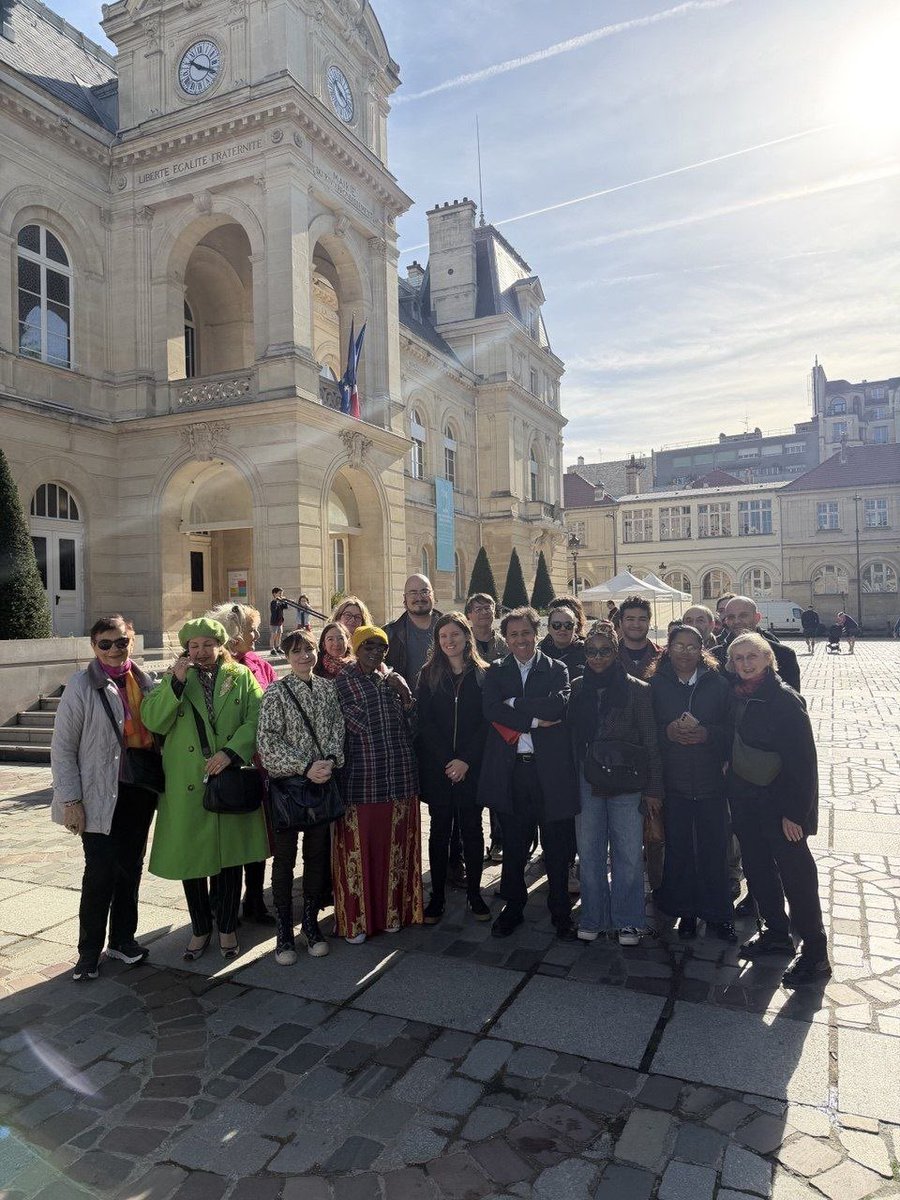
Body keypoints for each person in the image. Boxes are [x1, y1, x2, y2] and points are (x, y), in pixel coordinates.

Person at [141, 618, 267, 961]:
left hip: (227, 776)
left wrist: (232, 751)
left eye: (207, 645)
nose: (201, 651)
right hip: (186, 784)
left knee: (230, 860)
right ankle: (200, 928)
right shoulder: (173, 678)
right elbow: (152, 719)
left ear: (220, 645)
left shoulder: (240, 677)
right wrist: (176, 685)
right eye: (194, 646)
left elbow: (257, 716)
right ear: (186, 649)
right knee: (192, 861)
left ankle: (227, 927)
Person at [51, 615, 160, 981]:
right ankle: (88, 950)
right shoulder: (81, 685)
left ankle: (123, 939)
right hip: (98, 794)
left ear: (131, 641)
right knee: (99, 872)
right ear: (94, 647)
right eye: (106, 644)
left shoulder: (145, 681)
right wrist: (71, 800)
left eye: (122, 642)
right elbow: (63, 748)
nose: (115, 650)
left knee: (130, 867)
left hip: (137, 790)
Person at [725, 633, 830, 985]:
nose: (745, 663)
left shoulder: (783, 699)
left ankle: (815, 953)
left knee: (796, 876)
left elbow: (803, 763)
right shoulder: (738, 694)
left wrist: (796, 814)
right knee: (757, 869)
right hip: (746, 801)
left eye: (752, 656)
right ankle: (775, 934)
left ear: (768, 658)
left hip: (780, 807)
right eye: (738, 658)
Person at [478, 606, 579, 940]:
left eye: (525, 633)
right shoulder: (496, 671)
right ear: (505, 639)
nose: (520, 640)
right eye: (513, 634)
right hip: (514, 772)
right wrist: (535, 720)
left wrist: (515, 705)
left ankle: (560, 910)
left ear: (537, 634)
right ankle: (514, 907)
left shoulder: (557, 668)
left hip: (550, 772)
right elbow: (490, 709)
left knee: (557, 845)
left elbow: (558, 707)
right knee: (516, 845)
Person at [567, 621, 663, 947]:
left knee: (628, 853)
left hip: (627, 779)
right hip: (587, 777)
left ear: (615, 651)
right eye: (592, 651)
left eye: (604, 650)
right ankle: (594, 915)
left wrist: (653, 790)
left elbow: (651, 743)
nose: (598, 657)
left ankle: (629, 918)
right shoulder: (578, 686)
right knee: (590, 852)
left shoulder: (638, 689)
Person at [257, 629, 345, 963]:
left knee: (316, 854)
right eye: (296, 651)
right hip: (289, 788)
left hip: (322, 784)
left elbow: (338, 728)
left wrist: (331, 761)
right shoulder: (276, 692)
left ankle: (309, 920)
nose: (303, 656)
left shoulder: (327, 688)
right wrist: (304, 766)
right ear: (286, 656)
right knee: (284, 859)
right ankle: (283, 928)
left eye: (308, 649)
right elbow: (268, 741)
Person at [332, 625, 423, 941]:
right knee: (360, 855)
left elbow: (412, 729)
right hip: (363, 783)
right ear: (355, 650)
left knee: (394, 852)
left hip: (400, 779)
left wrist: (407, 697)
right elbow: (342, 733)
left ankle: (393, 914)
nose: (374, 652)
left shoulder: (392, 682)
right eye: (367, 646)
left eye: (380, 647)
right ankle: (358, 921)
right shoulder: (342, 684)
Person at [647, 625, 734, 941]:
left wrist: (708, 734)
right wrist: (667, 732)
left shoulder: (718, 685)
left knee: (714, 849)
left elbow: (732, 730)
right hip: (675, 784)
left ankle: (718, 914)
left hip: (711, 783)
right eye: (679, 646)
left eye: (692, 646)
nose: (685, 652)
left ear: (703, 649)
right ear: (668, 649)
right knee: (680, 850)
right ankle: (684, 911)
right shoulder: (655, 685)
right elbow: (647, 733)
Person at [204, 603, 277, 925]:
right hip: (228, 763)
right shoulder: (218, 669)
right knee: (227, 833)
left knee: (257, 832)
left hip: (261, 763)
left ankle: (255, 899)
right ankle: (220, 899)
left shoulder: (261, 665)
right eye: (250, 629)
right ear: (234, 635)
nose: (256, 634)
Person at [416, 614, 490, 924]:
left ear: (466, 636)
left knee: (472, 831)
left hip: (471, 768)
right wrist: (448, 760)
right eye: (443, 635)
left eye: (455, 634)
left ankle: (475, 892)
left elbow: (487, 722)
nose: (449, 640)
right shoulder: (428, 674)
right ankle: (438, 897)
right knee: (440, 832)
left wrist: (466, 760)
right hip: (439, 768)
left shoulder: (484, 675)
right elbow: (424, 722)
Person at [713, 596, 801, 692]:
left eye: (743, 615)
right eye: (731, 617)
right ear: (726, 621)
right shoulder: (715, 656)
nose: (737, 621)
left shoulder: (783, 654)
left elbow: (793, 700)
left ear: (757, 618)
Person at [542, 598, 588, 681]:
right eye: (556, 625)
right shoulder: (539, 652)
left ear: (576, 626)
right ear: (549, 628)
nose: (562, 629)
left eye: (568, 625)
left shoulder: (588, 651)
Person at [617, 596, 660, 680]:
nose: (636, 624)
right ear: (620, 623)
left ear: (649, 622)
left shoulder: (662, 657)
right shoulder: (609, 656)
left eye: (642, 619)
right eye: (630, 619)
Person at [464, 593, 508, 662]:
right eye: (478, 609)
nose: (484, 612)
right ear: (469, 615)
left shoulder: (505, 644)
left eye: (487, 608)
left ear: (494, 613)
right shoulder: (463, 643)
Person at [270, 587, 289, 655]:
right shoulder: (273, 602)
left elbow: (286, 607)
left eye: (281, 593)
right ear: (274, 594)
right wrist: (276, 601)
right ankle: (272, 648)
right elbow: (274, 609)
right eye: (279, 593)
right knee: (273, 635)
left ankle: (278, 647)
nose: (281, 595)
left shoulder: (280, 602)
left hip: (280, 621)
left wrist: (285, 601)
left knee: (279, 635)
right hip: (274, 621)